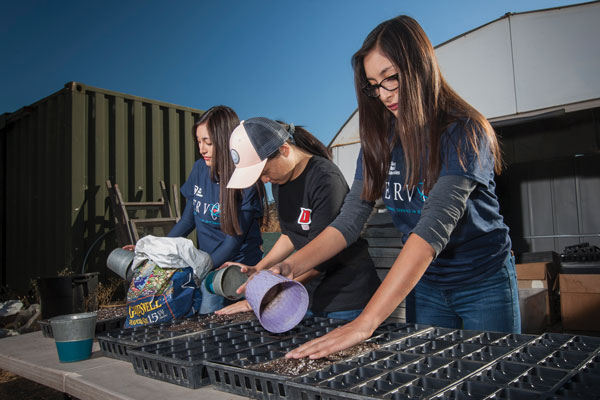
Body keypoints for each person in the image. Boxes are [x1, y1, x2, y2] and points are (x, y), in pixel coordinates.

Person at [260, 15, 520, 359]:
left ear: (420, 68)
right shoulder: (380, 142)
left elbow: (431, 229)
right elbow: (350, 219)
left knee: (491, 373)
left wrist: (365, 322)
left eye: (391, 79)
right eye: (373, 85)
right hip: (426, 284)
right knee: (433, 375)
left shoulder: (464, 133)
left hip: (482, 281)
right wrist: (290, 268)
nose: (383, 95)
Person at [217, 117, 381, 320]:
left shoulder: (325, 179)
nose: (265, 181)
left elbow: (322, 256)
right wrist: (259, 268)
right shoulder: (280, 180)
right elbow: (291, 234)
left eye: (265, 172)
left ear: (284, 150)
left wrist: (270, 293)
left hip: (346, 297)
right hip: (309, 294)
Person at [167, 106, 266, 313]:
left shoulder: (246, 181)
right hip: (205, 265)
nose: (202, 149)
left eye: (208, 143)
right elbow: (187, 221)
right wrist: (158, 250)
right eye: (199, 142)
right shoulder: (199, 169)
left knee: (208, 305)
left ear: (225, 141)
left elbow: (233, 242)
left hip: (234, 269)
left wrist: (200, 269)